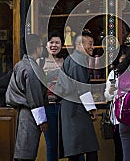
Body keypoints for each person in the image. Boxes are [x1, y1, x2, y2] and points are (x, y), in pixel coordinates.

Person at [38, 30, 85, 161]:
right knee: (51, 144)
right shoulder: (39, 62)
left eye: (57, 42)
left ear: (62, 45)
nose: (54, 45)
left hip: (66, 107)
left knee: (72, 143)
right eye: (51, 42)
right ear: (45, 45)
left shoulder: (66, 61)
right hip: (48, 108)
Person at [54, 30, 99, 161]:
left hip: (74, 107)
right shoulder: (77, 61)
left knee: (78, 148)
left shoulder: (76, 59)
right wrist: (92, 109)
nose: (92, 47)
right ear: (79, 45)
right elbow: (82, 88)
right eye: (89, 44)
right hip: (74, 109)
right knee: (84, 147)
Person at [5, 34, 48, 161]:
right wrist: (42, 120)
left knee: (23, 147)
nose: (43, 48)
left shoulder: (21, 64)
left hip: (25, 111)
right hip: (30, 113)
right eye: (41, 46)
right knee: (26, 150)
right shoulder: (31, 69)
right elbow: (34, 96)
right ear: (36, 48)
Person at [104, 44, 129, 161]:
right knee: (119, 150)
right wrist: (111, 90)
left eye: (126, 59)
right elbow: (107, 96)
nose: (123, 62)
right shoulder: (113, 74)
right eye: (122, 59)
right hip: (117, 118)